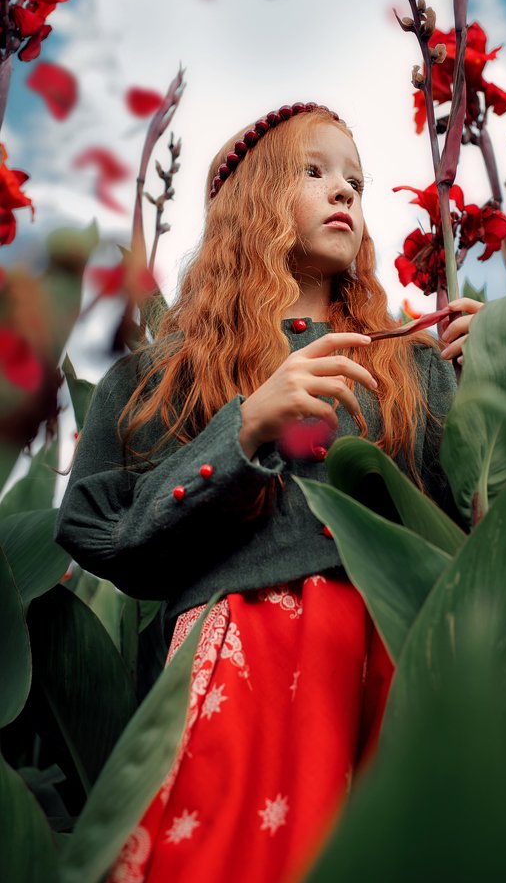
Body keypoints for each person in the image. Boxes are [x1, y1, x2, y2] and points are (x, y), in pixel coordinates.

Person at [55, 102, 481, 883]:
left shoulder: (413, 368)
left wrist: (490, 392)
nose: (343, 191)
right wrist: (245, 427)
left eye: (355, 181)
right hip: (238, 660)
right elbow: (96, 530)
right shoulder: (164, 373)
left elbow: (476, 538)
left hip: (389, 654)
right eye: (312, 171)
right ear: (249, 202)